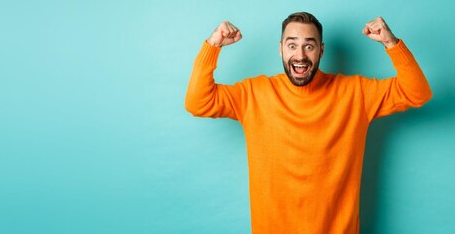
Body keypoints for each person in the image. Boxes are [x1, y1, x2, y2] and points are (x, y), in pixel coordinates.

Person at [184, 12, 432, 233]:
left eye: (309, 46)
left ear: (321, 50)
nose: (300, 56)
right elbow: (198, 102)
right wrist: (213, 45)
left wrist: (391, 43)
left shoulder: (356, 93)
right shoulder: (254, 94)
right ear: (281, 49)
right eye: (292, 46)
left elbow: (417, 92)